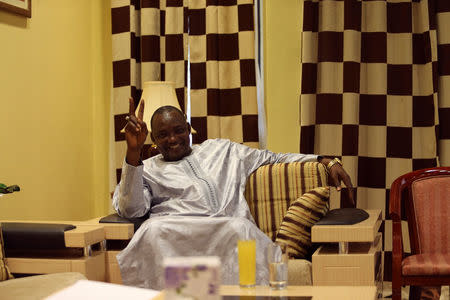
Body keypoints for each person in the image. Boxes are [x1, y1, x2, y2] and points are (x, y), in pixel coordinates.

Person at [113, 98, 354, 289]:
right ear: (153, 139)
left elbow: (274, 157)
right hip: (176, 235)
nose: (173, 139)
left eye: (178, 130)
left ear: (189, 129)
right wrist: (133, 154)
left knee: (241, 227)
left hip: (227, 231)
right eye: (163, 135)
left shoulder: (222, 150)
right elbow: (131, 209)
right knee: (152, 230)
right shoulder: (148, 169)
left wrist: (325, 160)